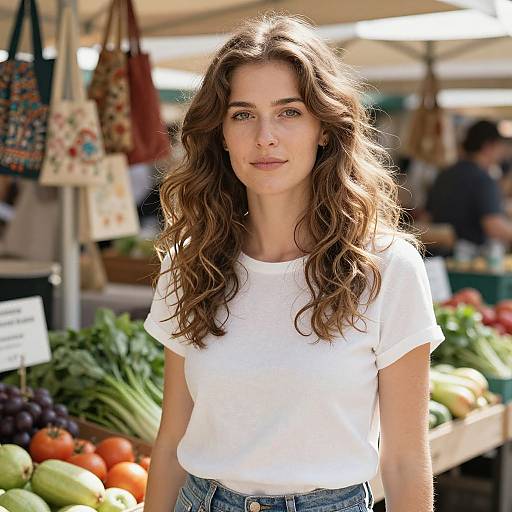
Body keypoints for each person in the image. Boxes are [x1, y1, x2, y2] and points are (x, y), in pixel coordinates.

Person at [143, 14, 444, 512]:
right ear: (219, 133)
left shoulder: (387, 269)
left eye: (289, 112)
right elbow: (173, 439)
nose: (265, 136)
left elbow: (406, 461)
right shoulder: (189, 265)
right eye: (242, 114)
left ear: (324, 128)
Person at [425, 120, 509, 255]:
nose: (501, 153)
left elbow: (427, 215)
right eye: (499, 147)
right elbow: (493, 225)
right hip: (467, 260)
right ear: (488, 146)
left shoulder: (445, 174)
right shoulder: (483, 179)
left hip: (436, 258)